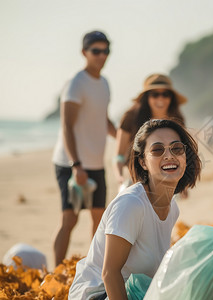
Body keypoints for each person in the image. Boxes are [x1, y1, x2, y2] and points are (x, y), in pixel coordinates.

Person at [68, 119, 202, 300]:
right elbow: (109, 274)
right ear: (143, 162)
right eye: (157, 150)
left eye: (176, 148)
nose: (169, 155)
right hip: (99, 294)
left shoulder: (172, 209)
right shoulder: (131, 204)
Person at [52, 30, 117, 267]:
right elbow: (67, 127)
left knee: (99, 219)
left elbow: (104, 120)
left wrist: (126, 140)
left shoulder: (105, 83)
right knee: (69, 219)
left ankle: (93, 268)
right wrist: (76, 165)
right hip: (71, 163)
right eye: (96, 51)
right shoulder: (76, 82)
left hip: (96, 163)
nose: (102, 56)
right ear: (84, 53)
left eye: (106, 51)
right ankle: (56, 271)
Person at [115, 74, 186, 189]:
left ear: (171, 98)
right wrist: (119, 178)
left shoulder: (177, 119)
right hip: (133, 178)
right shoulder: (131, 117)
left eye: (165, 94)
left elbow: (181, 153)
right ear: (146, 98)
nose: (160, 99)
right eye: (155, 94)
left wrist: (183, 184)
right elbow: (119, 156)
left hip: (166, 176)